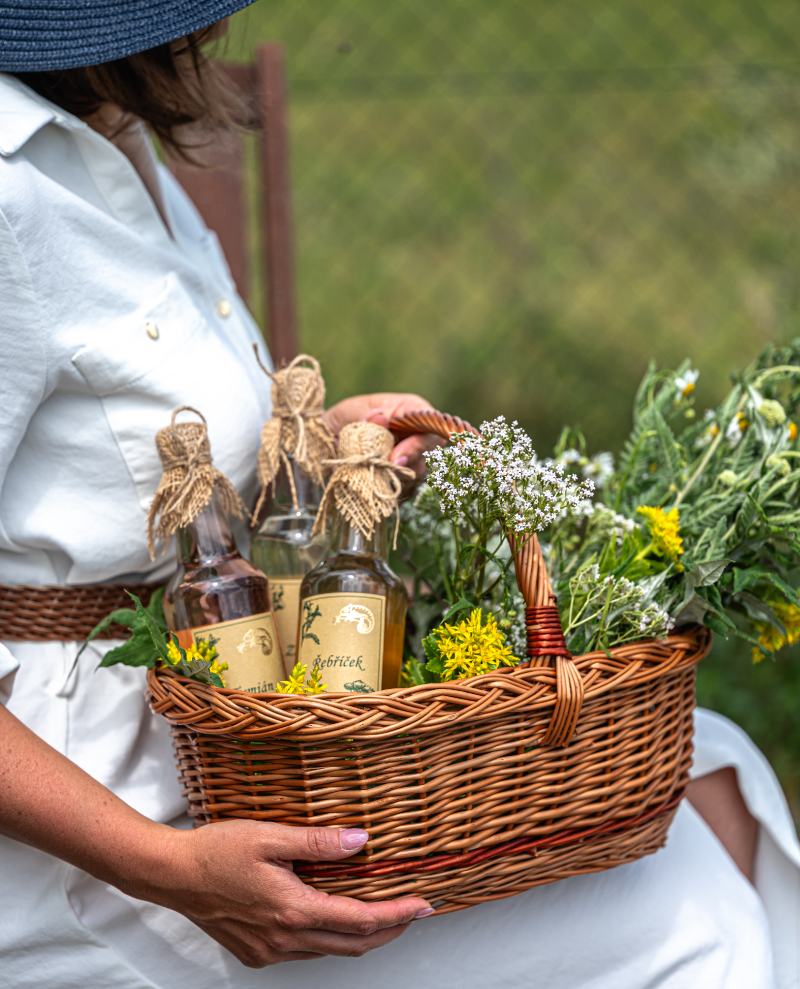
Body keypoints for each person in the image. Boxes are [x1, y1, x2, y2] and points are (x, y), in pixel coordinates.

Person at [0, 5, 798, 988]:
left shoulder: (111, 137)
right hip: (101, 840)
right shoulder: (10, 193)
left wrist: (321, 446)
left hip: (224, 727)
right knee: (684, 907)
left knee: (709, 769)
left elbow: (122, 463)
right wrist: (171, 871)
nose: (210, 34)